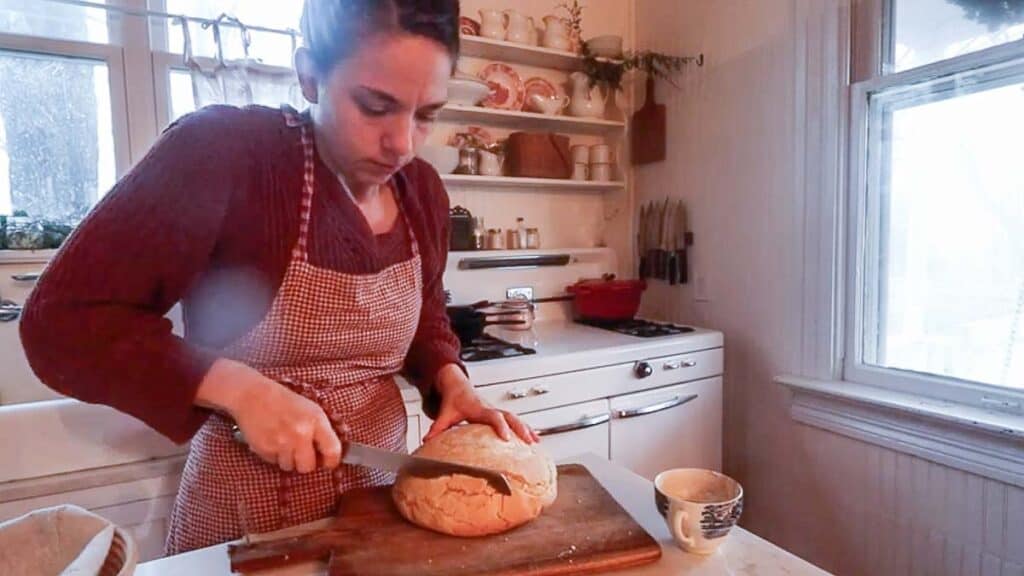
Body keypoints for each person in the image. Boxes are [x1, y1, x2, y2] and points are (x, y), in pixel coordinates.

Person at [20, 0, 537, 554]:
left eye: (427, 113)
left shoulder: (423, 192)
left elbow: (424, 315)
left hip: (379, 512)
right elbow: (61, 321)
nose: (402, 143)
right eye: (374, 105)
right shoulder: (226, 155)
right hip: (242, 524)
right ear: (309, 74)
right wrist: (239, 390)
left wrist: (449, 380)